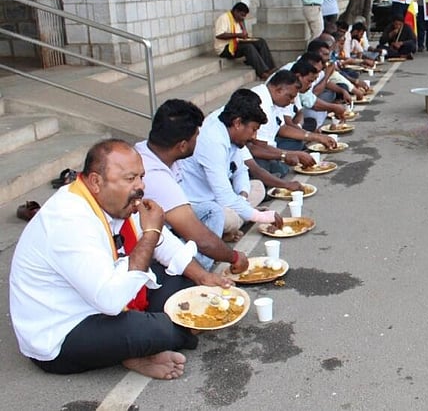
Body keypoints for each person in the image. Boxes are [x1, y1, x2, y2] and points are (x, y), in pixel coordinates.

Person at [10, 139, 232, 378]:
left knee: (189, 287)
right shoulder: (69, 219)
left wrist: (203, 277)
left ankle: (136, 348)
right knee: (160, 328)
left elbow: (165, 245)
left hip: (105, 294)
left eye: (141, 177)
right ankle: (139, 349)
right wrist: (151, 233)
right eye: (130, 178)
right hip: (64, 331)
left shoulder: (116, 202)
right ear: (96, 181)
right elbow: (110, 300)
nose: (140, 186)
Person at [136, 100, 250, 272]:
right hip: (149, 245)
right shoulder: (155, 177)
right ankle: (196, 272)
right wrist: (234, 257)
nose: (199, 140)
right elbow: (201, 238)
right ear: (182, 146)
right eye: (197, 136)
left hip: (168, 223)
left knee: (212, 211)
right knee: (203, 236)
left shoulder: (152, 150)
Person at [179, 89, 283, 239]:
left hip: (221, 198)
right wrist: (261, 217)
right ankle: (235, 222)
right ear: (238, 123)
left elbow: (241, 170)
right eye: (253, 130)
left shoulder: (232, 132)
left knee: (257, 187)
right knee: (230, 219)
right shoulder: (213, 140)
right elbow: (224, 196)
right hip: (201, 204)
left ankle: (241, 217)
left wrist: (243, 196)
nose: (254, 137)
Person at [214, 2, 276, 79]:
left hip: (236, 43)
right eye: (242, 15)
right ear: (236, 11)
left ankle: (270, 68)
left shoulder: (238, 19)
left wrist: (244, 34)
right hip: (225, 48)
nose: (243, 18)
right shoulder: (223, 18)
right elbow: (219, 35)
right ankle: (262, 73)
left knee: (260, 41)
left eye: (244, 16)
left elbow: (242, 34)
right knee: (248, 47)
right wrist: (238, 35)